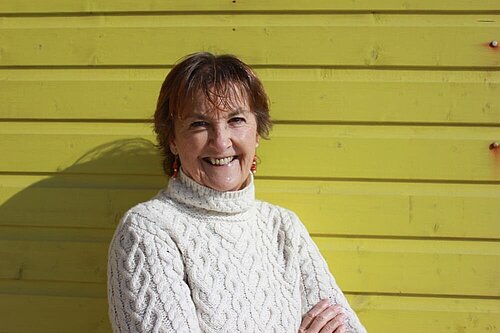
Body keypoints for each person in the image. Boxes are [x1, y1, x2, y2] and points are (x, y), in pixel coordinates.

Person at [107, 52, 366, 333]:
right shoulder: (149, 229)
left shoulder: (283, 226)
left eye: (236, 120)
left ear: (257, 132)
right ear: (172, 139)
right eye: (199, 124)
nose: (220, 143)